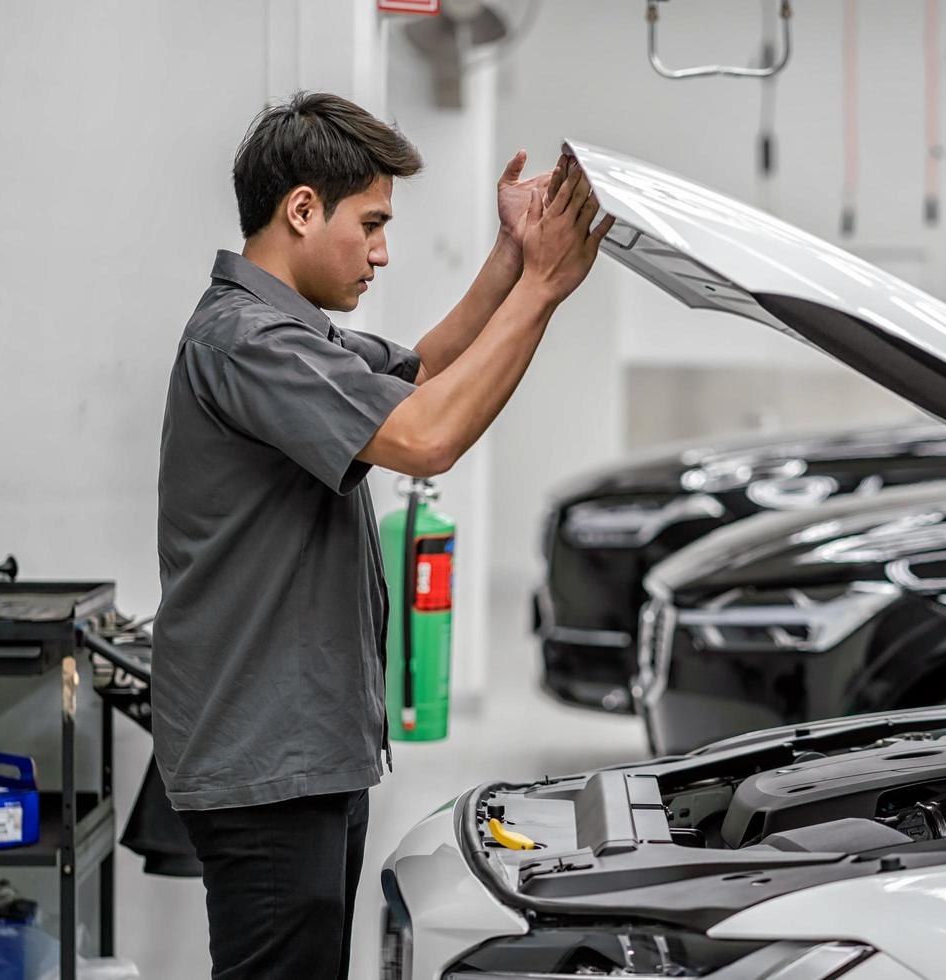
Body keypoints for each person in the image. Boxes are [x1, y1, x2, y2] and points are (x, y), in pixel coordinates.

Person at [153, 91, 609, 979]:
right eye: (369, 225)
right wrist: (547, 288)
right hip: (270, 764)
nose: (382, 251)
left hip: (304, 756)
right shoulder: (248, 342)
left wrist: (514, 258)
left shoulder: (293, 334)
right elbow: (426, 436)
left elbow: (424, 374)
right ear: (300, 210)